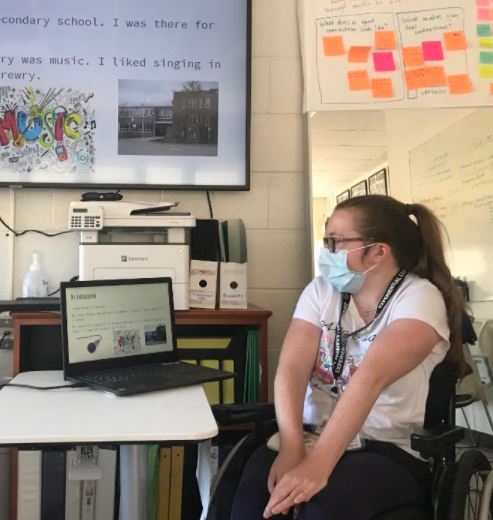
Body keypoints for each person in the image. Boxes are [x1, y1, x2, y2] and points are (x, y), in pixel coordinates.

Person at [230, 194, 467, 520]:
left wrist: (317, 465)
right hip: (310, 434)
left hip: (384, 447)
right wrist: (291, 445)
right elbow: (292, 368)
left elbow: (370, 379)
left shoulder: (420, 299)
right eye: (326, 240)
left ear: (378, 252)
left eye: (336, 242)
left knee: (322, 510)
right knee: (250, 503)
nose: (326, 252)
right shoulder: (321, 291)